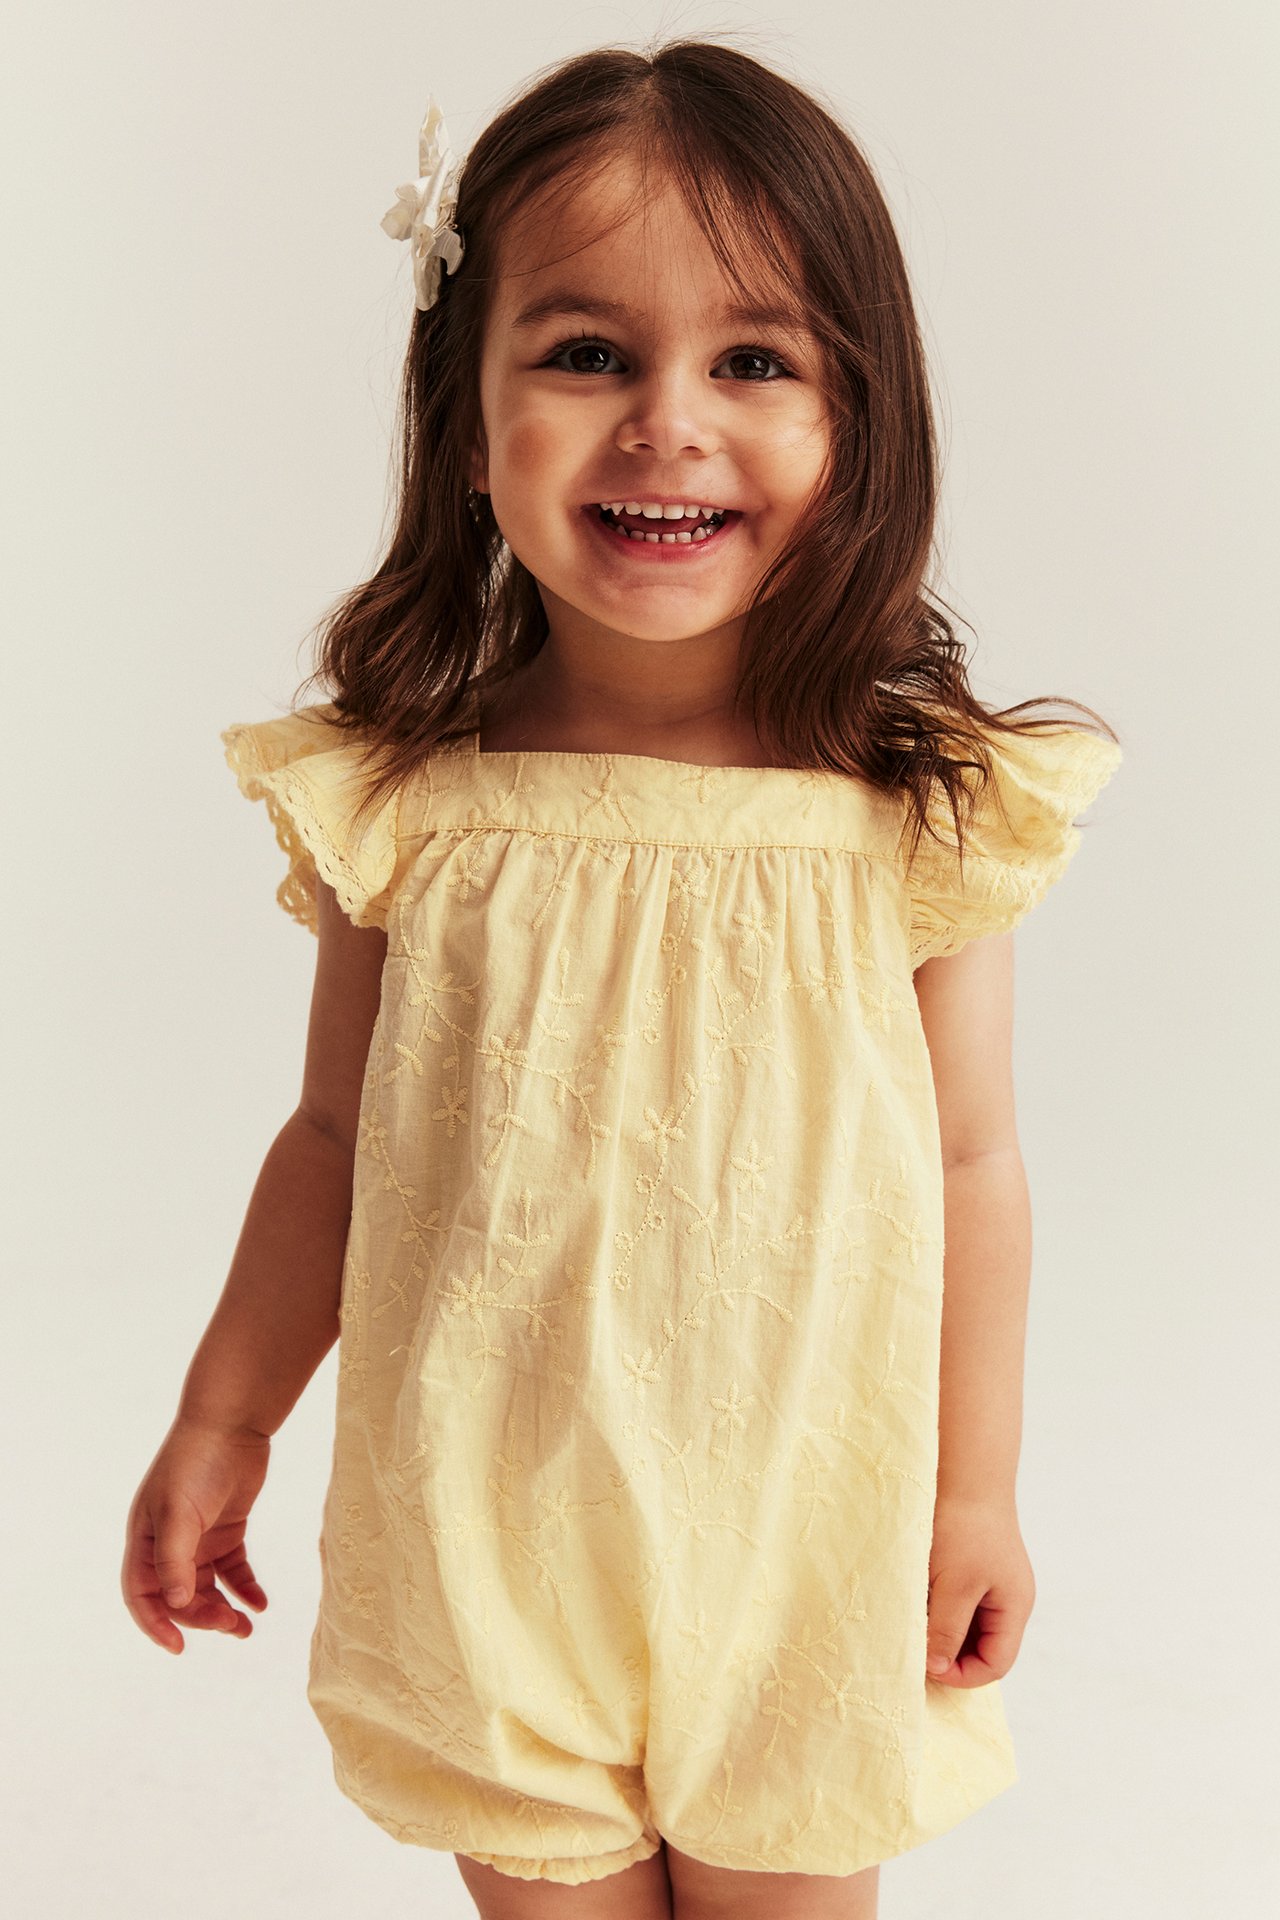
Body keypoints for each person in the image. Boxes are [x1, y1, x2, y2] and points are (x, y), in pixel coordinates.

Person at [121, 37, 1123, 1920]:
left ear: (859, 413)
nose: (668, 421)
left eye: (754, 360)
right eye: (586, 353)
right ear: (466, 400)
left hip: (806, 1535)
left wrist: (973, 1493)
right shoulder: (408, 797)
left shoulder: (916, 806)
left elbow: (974, 1167)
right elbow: (334, 1136)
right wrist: (224, 1414)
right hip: (491, 1532)